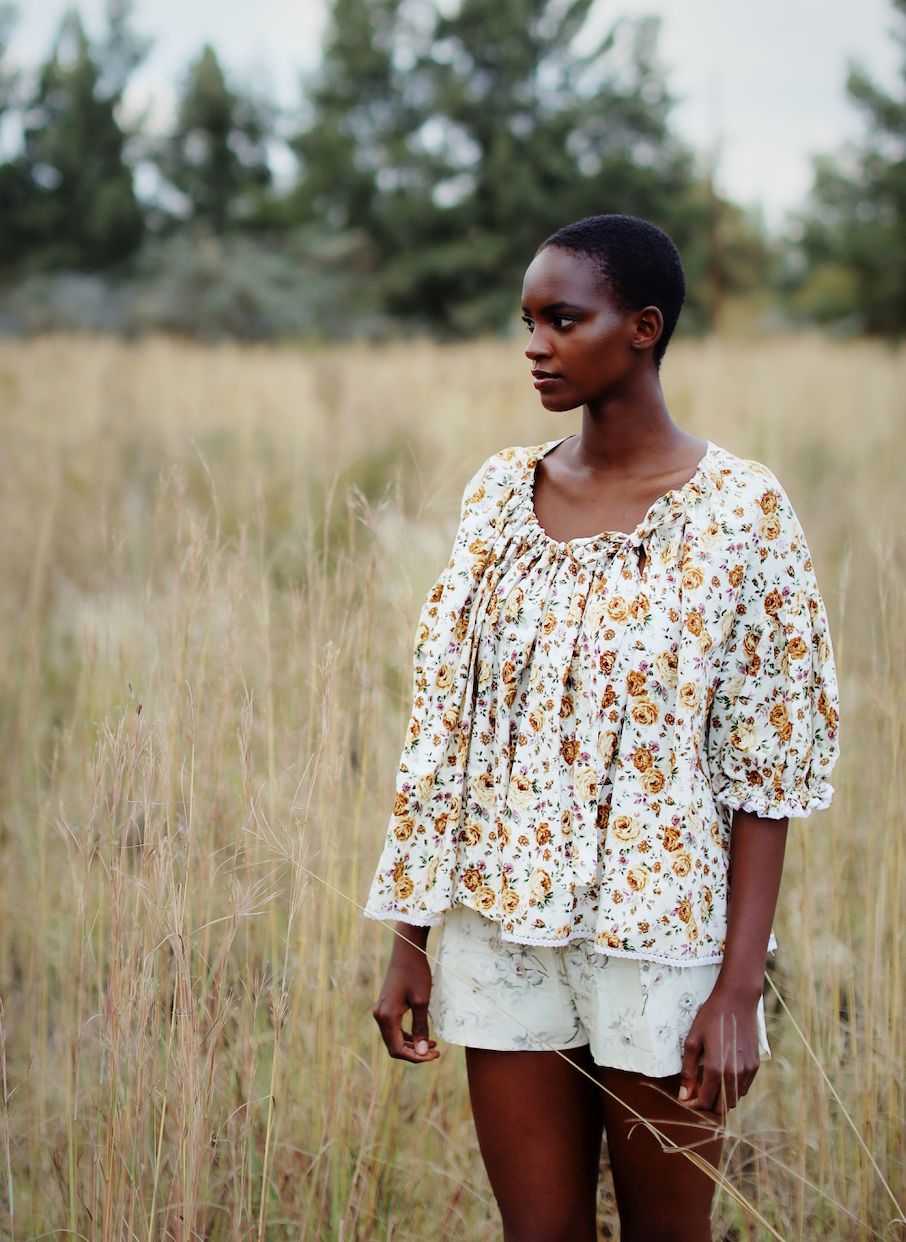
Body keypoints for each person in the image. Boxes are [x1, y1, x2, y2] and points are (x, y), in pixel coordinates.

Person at [366, 214, 840, 1242]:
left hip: (664, 942)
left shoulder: (742, 513)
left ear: (642, 327)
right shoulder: (498, 497)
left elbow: (769, 774)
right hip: (501, 934)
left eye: (562, 319)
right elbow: (444, 728)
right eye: (527, 320)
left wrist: (737, 991)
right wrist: (413, 940)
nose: (534, 345)